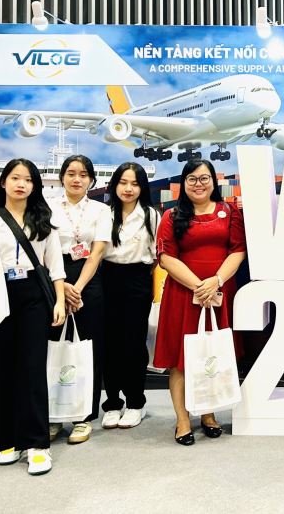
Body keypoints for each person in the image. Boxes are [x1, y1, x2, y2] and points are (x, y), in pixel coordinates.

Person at [0, 159, 66, 475]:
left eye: (28, 179)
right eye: (15, 178)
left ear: (35, 186)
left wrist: (60, 301)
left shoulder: (43, 220)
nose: (21, 184)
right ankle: (7, 440)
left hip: (34, 298)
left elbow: (55, 266)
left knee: (32, 369)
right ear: (3, 183)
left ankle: (37, 444)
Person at [155, 159, 246, 445]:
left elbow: (238, 250)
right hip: (183, 295)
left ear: (213, 182)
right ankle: (182, 420)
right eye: (192, 179)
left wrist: (215, 281)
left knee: (211, 354)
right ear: (184, 183)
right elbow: (165, 257)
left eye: (204, 178)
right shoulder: (171, 216)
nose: (199, 184)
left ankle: (208, 414)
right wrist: (199, 286)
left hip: (218, 294)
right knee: (180, 361)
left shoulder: (228, 212)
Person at [47, 155, 111, 443]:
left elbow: (97, 252)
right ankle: (53, 415)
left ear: (91, 180)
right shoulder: (47, 207)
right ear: (62, 177)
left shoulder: (101, 210)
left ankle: (84, 416)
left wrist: (78, 288)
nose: (77, 179)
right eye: (71, 173)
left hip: (88, 278)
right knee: (52, 346)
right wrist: (62, 287)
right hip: (54, 277)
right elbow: (44, 249)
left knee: (88, 347)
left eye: (83, 174)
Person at [100, 162, 160, 430]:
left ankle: (136, 402)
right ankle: (113, 403)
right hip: (106, 278)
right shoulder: (104, 214)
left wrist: (144, 281)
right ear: (115, 185)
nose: (128, 188)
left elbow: (157, 255)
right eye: (123, 182)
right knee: (109, 344)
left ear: (142, 187)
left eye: (135, 184)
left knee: (134, 344)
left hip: (138, 280)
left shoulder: (151, 215)